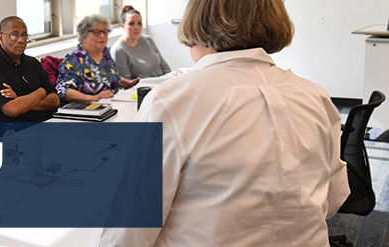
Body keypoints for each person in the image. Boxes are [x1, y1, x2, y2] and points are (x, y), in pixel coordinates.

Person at [98, 0, 350, 246]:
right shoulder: (315, 95)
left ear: (197, 22)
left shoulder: (171, 100)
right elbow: (334, 198)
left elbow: (129, 228)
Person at [0, 16, 60, 122]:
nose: (21, 40)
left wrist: (19, 99)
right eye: (14, 35)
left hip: (44, 124)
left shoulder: (33, 63)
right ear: (0, 38)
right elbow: (13, 110)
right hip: (10, 132)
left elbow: (54, 101)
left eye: (24, 35)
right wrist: (41, 91)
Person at [56, 14, 139, 103]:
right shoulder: (74, 59)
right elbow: (63, 91)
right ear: (84, 35)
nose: (102, 36)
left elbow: (111, 77)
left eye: (105, 32)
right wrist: (94, 98)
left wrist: (129, 84)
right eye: (96, 32)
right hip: (87, 109)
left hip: (111, 103)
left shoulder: (104, 53)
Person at [110, 5, 171, 80]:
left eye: (139, 23)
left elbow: (165, 67)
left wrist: (170, 82)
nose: (136, 27)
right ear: (123, 26)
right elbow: (126, 83)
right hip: (143, 89)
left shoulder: (148, 40)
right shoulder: (119, 50)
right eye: (131, 23)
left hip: (162, 85)